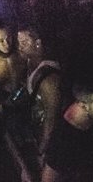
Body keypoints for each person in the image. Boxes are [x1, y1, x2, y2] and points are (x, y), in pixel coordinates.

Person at [17, 25, 63, 159]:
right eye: (19, 42)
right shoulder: (30, 61)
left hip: (51, 138)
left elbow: (51, 118)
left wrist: (42, 147)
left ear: (38, 43)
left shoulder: (49, 79)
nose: (20, 47)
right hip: (36, 125)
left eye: (24, 43)